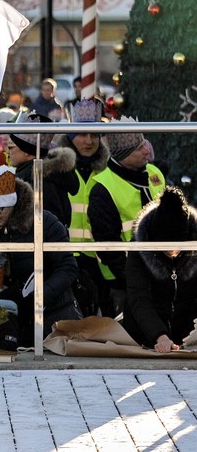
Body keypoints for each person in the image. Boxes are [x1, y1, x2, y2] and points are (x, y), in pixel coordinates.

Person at [0, 165, 81, 345]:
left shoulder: (44, 222)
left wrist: (42, 294)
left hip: (54, 311)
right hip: (9, 321)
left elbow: (67, 267)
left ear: (13, 203)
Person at [88, 117, 165, 318]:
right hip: (122, 283)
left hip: (160, 274)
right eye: (139, 148)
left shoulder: (154, 173)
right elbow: (108, 247)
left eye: (144, 144)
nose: (147, 151)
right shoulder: (102, 189)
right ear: (123, 155)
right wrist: (135, 280)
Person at [123, 187, 197, 352]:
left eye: (177, 247)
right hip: (142, 338)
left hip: (188, 339)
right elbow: (138, 298)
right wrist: (160, 336)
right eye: (165, 247)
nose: (172, 253)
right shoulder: (139, 250)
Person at [54, 99, 109, 317]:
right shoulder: (56, 167)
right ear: (70, 137)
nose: (88, 141)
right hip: (67, 254)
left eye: (94, 135)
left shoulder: (108, 169)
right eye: (82, 135)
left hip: (101, 258)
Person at [7, 113, 78, 227]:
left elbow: (49, 225)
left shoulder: (39, 181)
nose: (7, 150)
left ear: (26, 151)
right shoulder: (47, 176)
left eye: (11, 147)